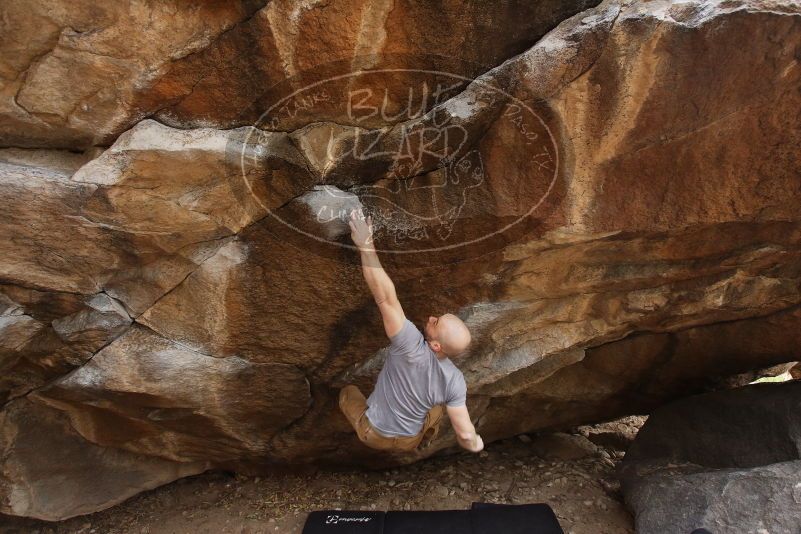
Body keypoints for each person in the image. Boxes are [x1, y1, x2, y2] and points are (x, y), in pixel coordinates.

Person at [338, 208, 484, 453]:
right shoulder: (455, 382)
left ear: (436, 345)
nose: (431, 317)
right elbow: (466, 433)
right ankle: (425, 438)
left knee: (347, 392)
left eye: (436, 322)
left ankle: (366, 423)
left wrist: (366, 245)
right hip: (409, 440)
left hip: (373, 434)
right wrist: (476, 443)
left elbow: (384, 296)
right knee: (439, 408)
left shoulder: (409, 344)